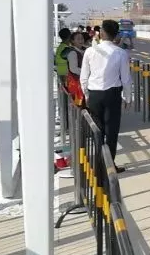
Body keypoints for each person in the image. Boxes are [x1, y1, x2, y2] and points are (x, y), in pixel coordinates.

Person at [80, 20, 132, 172]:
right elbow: (126, 78)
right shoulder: (121, 53)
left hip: (94, 95)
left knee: (97, 131)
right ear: (116, 35)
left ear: (101, 33)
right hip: (112, 95)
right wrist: (128, 97)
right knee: (111, 132)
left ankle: (97, 165)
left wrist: (86, 94)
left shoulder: (90, 51)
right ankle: (109, 166)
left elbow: (84, 77)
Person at [54, 28, 72, 127]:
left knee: (65, 100)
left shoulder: (60, 47)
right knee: (67, 101)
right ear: (69, 36)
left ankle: (65, 122)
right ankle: (67, 123)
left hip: (61, 75)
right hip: (66, 77)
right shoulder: (66, 49)